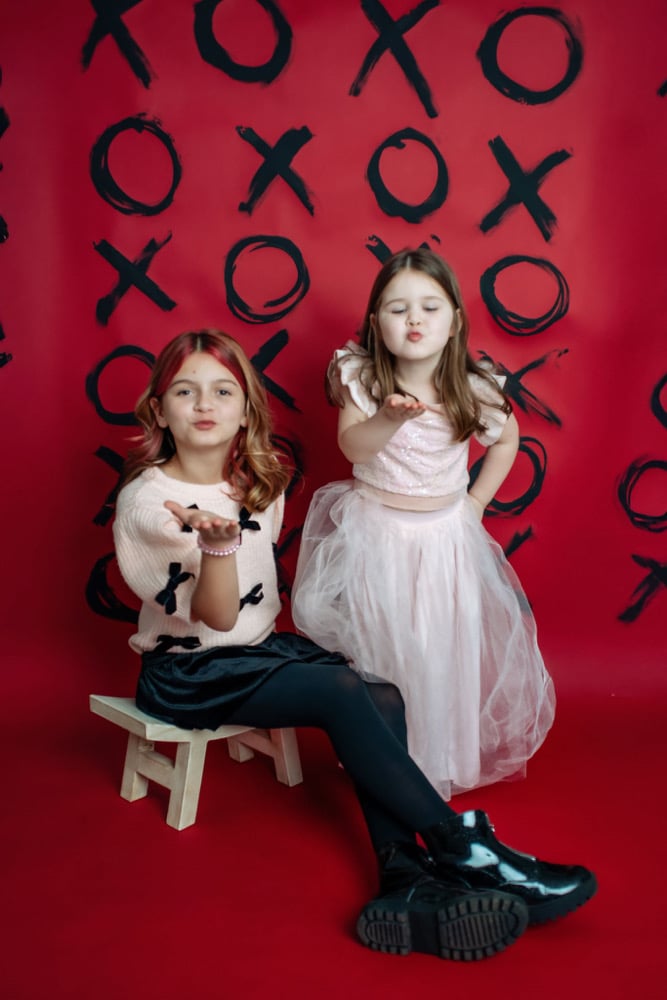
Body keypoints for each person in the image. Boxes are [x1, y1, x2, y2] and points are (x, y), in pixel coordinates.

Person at [113, 328, 595, 962]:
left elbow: (252, 618)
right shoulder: (149, 504)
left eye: (223, 391)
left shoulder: (258, 483)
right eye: (185, 391)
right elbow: (219, 618)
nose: (205, 404)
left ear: (246, 411)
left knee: (383, 692)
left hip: (255, 654)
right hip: (189, 672)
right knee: (340, 690)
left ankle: (404, 879)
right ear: (158, 410)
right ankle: (466, 850)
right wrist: (214, 545)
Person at [292, 248, 556, 800]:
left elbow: (507, 440)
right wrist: (388, 418)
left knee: (440, 648)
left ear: (454, 322)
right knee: (383, 648)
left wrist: (477, 501)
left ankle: (438, 759)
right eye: (398, 308)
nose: (414, 319)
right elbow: (352, 447)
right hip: (378, 534)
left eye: (430, 307)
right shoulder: (362, 378)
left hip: (443, 541)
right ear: (376, 323)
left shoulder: (474, 387)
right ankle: (384, 754)